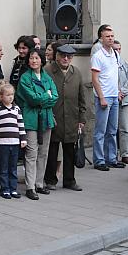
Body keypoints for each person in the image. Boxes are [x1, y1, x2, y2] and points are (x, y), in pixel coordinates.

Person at [43, 44, 86, 191]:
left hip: (72, 118)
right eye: (62, 55)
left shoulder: (76, 72)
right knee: (52, 150)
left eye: (69, 56)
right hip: (54, 117)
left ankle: (69, 180)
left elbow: (82, 98)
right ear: (57, 56)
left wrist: (82, 119)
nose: (65, 59)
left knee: (70, 151)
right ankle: (50, 180)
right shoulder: (47, 71)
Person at [17, 50, 58, 200]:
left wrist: (45, 98)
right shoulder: (25, 78)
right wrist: (46, 96)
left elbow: (55, 97)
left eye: (36, 58)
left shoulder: (47, 78)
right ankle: (30, 186)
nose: (34, 60)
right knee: (31, 153)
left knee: (43, 152)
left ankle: (39, 183)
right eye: (31, 58)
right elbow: (32, 99)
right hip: (31, 119)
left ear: (42, 60)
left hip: (46, 118)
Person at [91, 25, 124, 170]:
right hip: (103, 97)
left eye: (112, 36)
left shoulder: (115, 54)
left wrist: (117, 90)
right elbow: (95, 79)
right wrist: (101, 97)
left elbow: (114, 75)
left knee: (112, 130)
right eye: (107, 36)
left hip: (114, 96)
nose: (110, 39)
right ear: (101, 39)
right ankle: (99, 160)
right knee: (100, 131)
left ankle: (111, 158)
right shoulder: (98, 56)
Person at [0, 82, 26, 199]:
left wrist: (23, 139)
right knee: (3, 167)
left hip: (15, 142)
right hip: (2, 143)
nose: (10, 97)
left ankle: (13, 189)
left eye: (12, 94)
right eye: (7, 95)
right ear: (1, 96)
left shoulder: (16, 108)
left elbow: (21, 124)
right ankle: (5, 189)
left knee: (13, 168)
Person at [114, 40, 128, 165]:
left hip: (124, 99)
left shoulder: (124, 64)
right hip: (111, 98)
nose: (117, 51)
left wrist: (122, 91)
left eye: (119, 49)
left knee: (125, 128)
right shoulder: (108, 62)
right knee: (111, 129)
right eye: (115, 49)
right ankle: (111, 153)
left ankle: (125, 153)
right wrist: (115, 92)